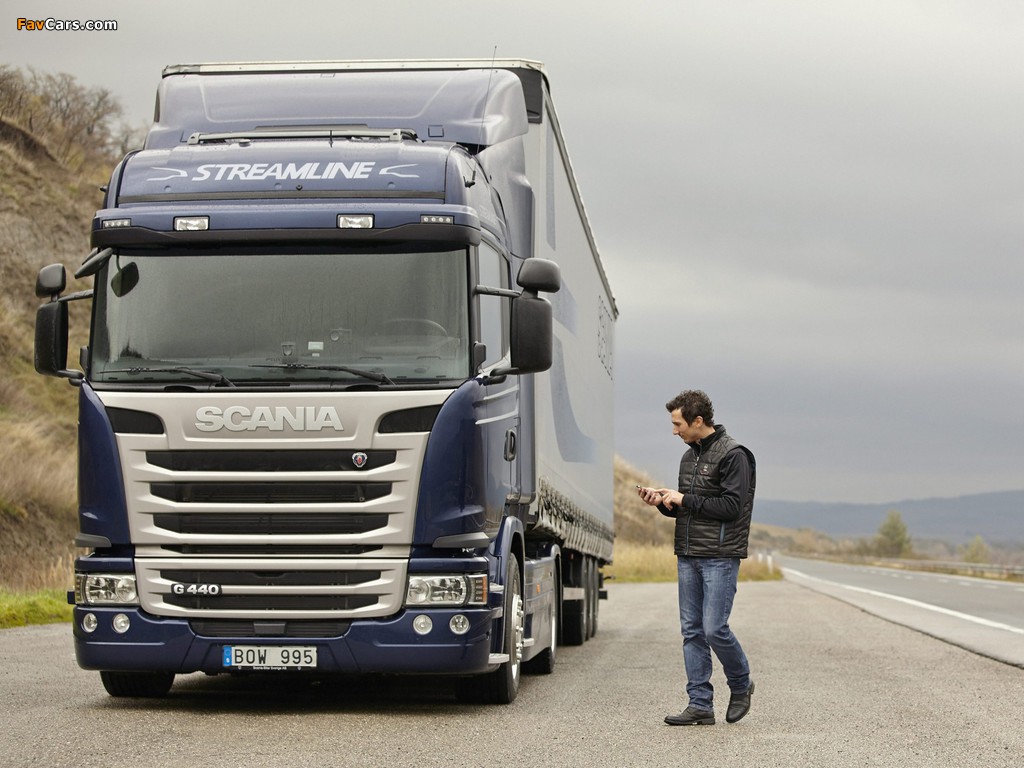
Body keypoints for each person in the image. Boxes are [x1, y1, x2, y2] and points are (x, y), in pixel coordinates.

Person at [637, 389, 756, 726]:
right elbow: (689, 510)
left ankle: (741, 683)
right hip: (688, 553)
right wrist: (663, 503)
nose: (674, 431)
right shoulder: (688, 457)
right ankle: (700, 704)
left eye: (678, 424)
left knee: (714, 628)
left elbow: (731, 508)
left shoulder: (735, 455)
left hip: (720, 555)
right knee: (692, 631)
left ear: (698, 420)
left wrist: (684, 499)